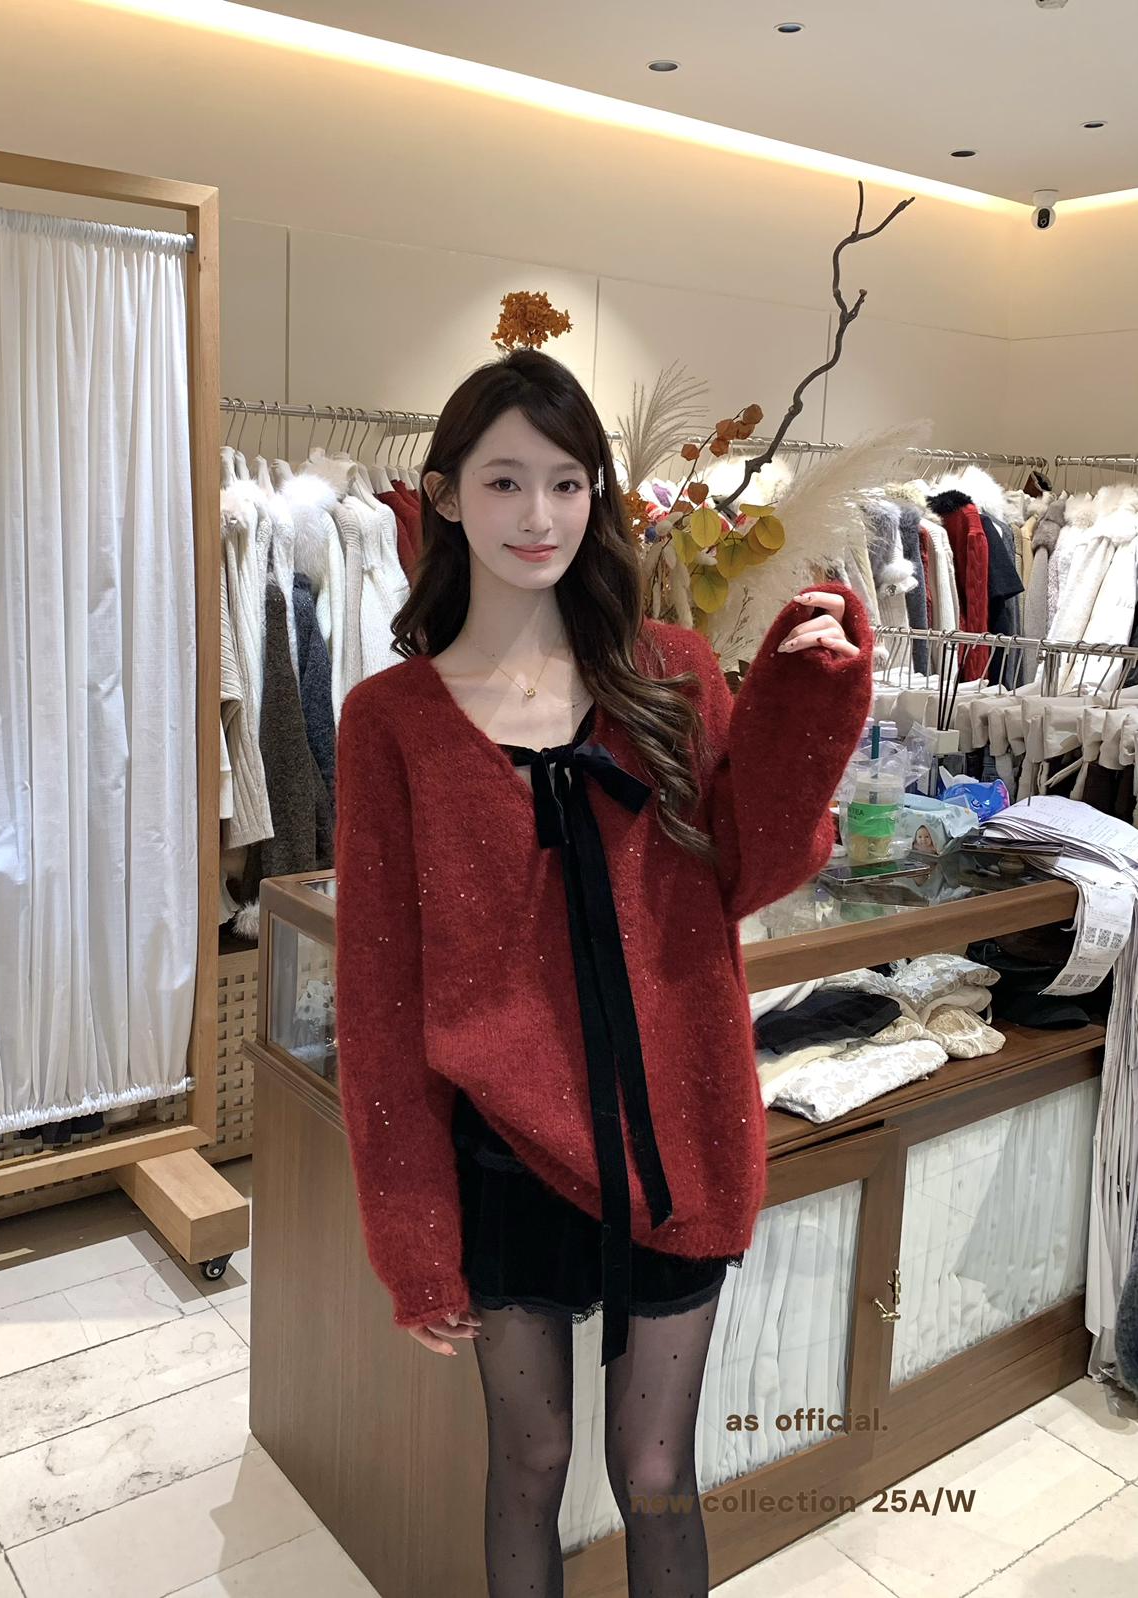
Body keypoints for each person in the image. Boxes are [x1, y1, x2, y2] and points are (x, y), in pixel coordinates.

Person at [332, 348, 871, 1597]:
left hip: (675, 1131)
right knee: (529, 1459)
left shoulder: (669, 672)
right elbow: (379, 993)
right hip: (502, 1155)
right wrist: (413, 1236)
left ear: (598, 497)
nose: (539, 514)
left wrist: (802, 703)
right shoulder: (390, 718)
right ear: (443, 495)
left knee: (657, 1467)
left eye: (567, 482)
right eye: (504, 480)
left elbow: (753, 864)